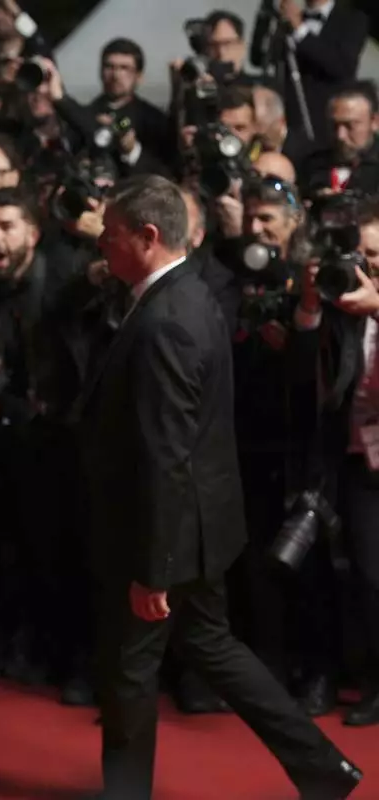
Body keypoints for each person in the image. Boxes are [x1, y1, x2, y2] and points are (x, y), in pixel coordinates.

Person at [78, 174, 361, 799]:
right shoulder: (192, 294)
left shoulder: (164, 322)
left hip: (166, 536)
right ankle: (323, 768)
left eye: (112, 232)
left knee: (129, 673)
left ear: (148, 237)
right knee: (212, 646)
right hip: (196, 527)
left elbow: (165, 455)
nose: (100, 241)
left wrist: (154, 569)